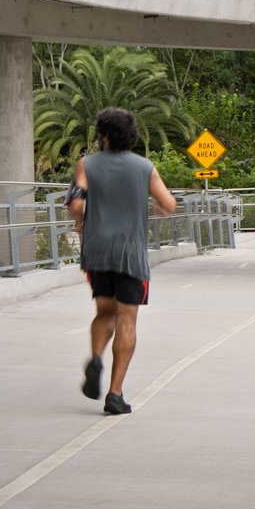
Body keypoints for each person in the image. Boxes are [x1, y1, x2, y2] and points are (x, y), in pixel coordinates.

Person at [67, 104, 176, 415]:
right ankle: (115, 394)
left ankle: (97, 356)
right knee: (127, 320)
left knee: (104, 312)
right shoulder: (145, 167)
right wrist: (158, 205)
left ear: (103, 136)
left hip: (97, 250)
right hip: (131, 254)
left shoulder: (86, 164)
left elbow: (76, 203)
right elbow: (168, 203)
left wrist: (80, 219)